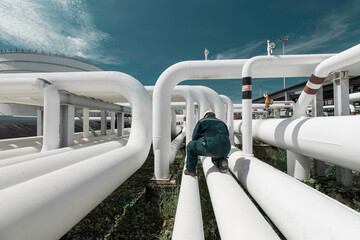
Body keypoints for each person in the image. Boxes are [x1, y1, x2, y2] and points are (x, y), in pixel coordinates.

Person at [184, 110, 231, 176]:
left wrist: (201, 140)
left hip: (211, 146)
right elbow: (226, 136)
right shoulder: (222, 123)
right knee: (216, 152)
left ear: (205, 115)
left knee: (190, 146)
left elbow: (195, 136)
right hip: (226, 149)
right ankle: (221, 162)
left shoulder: (202, 121)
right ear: (214, 115)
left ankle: (190, 170)